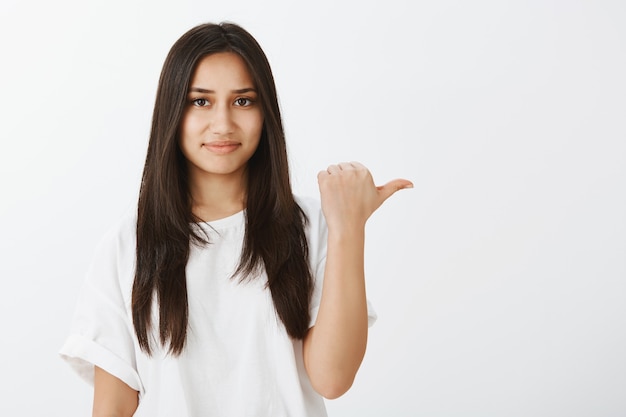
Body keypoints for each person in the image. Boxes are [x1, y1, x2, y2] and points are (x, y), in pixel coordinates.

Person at [59, 22, 412, 417]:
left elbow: (332, 378)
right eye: (200, 101)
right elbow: (112, 409)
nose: (223, 124)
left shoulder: (312, 226)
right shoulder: (128, 246)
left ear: (266, 112)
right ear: (172, 111)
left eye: (243, 101)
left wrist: (349, 227)